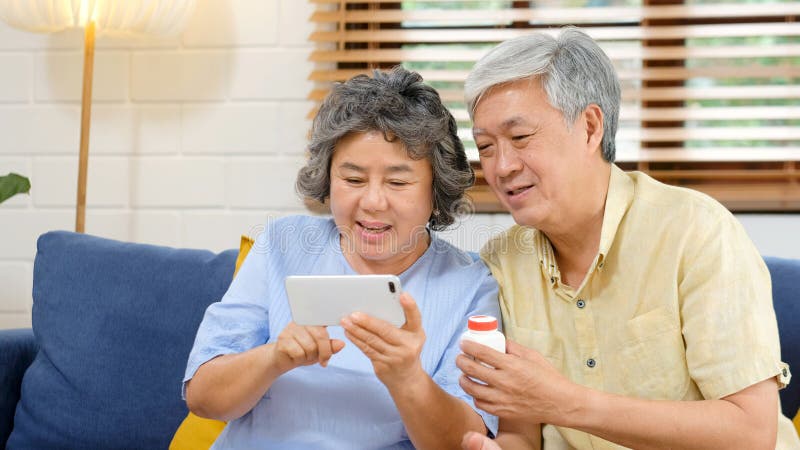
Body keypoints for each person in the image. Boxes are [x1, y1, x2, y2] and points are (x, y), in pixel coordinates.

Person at [455, 27, 799, 449]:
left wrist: (566, 403)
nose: (501, 167)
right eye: (486, 146)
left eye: (520, 137)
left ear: (589, 127)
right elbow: (520, 433)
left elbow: (751, 433)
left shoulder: (695, 231)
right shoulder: (504, 260)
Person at [182, 66, 500, 449]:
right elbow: (202, 398)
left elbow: (465, 443)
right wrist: (274, 358)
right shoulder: (283, 243)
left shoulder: (470, 286)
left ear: (436, 189)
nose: (372, 202)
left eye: (398, 182)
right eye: (352, 179)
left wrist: (406, 377)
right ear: (328, 179)